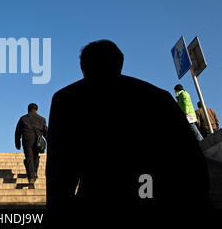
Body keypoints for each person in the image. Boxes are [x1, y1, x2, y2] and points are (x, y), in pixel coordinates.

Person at [47, 40, 210, 212]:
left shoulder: (66, 99)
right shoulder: (157, 97)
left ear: (84, 68)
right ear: (119, 63)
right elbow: (190, 159)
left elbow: (59, 171)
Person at [15, 103, 48, 185]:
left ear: (28, 110)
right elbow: (46, 132)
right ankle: (34, 173)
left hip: (27, 139)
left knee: (29, 157)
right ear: (37, 110)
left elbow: (17, 132)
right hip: (38, 139)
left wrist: (17, 144)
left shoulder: (23, 118)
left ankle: (31, 177)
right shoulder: (42, 119)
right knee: (36, 156)